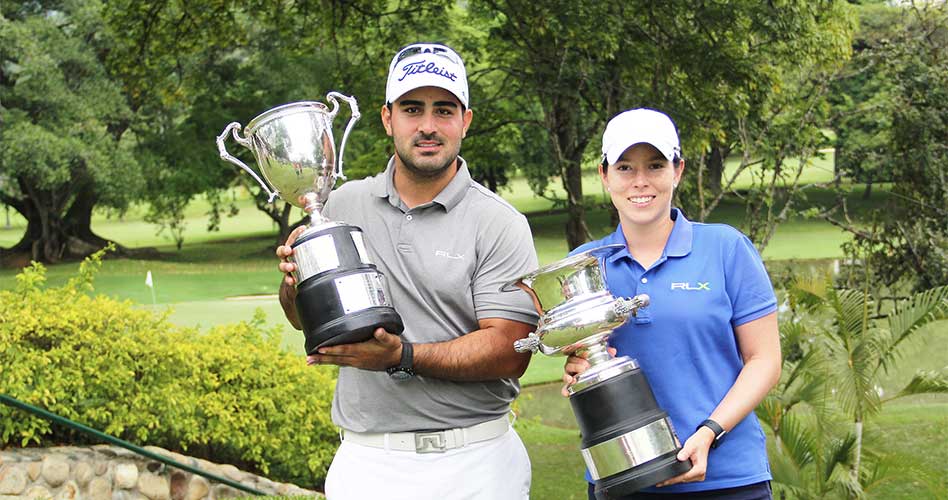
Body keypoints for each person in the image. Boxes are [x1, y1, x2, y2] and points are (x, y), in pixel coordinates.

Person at [276, 42, 539, 500]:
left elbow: (510, 350)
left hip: (476, 463)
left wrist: (403, 356)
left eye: (444, 110)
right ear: (387, 118)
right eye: (412, 109)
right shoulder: (340, 204)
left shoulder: (499, 222)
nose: (428, 126)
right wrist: (293, 285)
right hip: (367, 463)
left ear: (465, 121)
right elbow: (304, 318)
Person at [564, 108, 782, 499]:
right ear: (604, 175)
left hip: (729, 478)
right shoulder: (583, 266)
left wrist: (710, 432)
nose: (640, 181)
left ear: (677, 171)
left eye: (655, 165)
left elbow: (764, 360)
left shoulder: (726, 248)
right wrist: (578, 371)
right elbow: (578, 362)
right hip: (623, 479)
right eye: (625, 167)